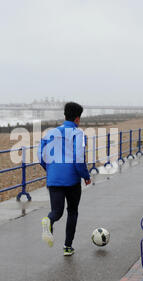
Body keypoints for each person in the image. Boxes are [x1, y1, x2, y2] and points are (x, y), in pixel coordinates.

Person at [37, 102, 91, 256]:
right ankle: (68, 247)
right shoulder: (78, 134)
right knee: (72, 211)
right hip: (72, 180)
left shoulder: (50, 133)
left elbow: (40, 155)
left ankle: (49, 220)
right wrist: (85, 176)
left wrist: (51, 169)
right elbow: (79, 158)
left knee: (56, 211)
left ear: (64, 115)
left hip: (54, 178)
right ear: (77, 119)